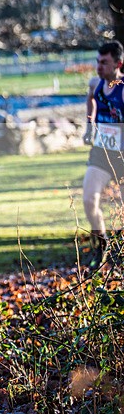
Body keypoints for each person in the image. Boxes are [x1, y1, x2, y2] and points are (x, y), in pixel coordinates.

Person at [82, 40, 124, 269]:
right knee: (89, 200)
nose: (99, 67)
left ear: (118, 64)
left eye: (104, 62)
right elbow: (90, 99)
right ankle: (102, 245)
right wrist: (89, 126)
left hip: (122, 156)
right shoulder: (96, 83)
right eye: (97, 61)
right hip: (101, 152)